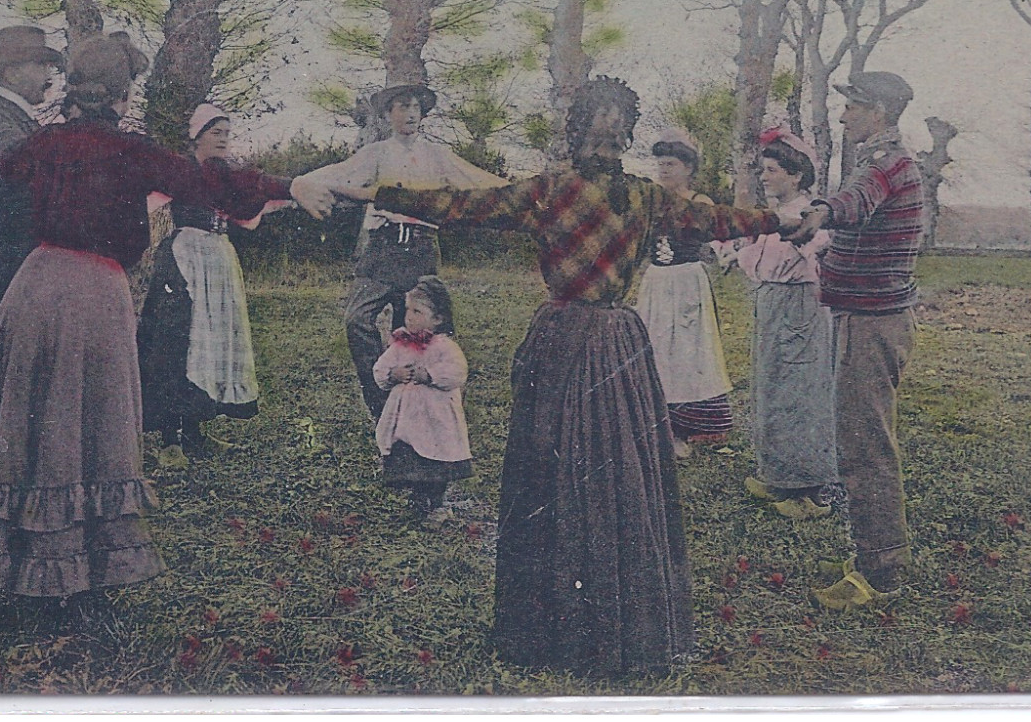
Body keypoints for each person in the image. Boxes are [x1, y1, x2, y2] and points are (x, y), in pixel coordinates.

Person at [333, 77, 800, 677]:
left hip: (564, 339)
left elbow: (458, 206)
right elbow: (724, 220)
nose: (607, 136)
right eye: (607, 127)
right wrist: (784, 222)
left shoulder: (556, 189)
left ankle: (555, 624)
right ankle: (610, 618)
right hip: (613, 339)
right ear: (614, 134)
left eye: (608, 127)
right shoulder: (646, 197)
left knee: (554, 469)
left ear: (578, 130)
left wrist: (375, 192)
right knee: (616, 471)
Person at [0, 33, 302, 602]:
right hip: (93, 292)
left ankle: (7, 557)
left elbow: (11, 162)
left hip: (34, 284)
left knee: (27, 416)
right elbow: (207, 182)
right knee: (84, 419)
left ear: (74, 89)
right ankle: (66, 568)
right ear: (123, 97)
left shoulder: (47, 140)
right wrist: (294, 186)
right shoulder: (128, 149)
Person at [785, 72, 926, 611]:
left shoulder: (884, 162)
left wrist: (819, 215)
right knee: (861, 440)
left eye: (854, 108)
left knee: (866, 446)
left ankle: (881, 571)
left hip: (874, 323)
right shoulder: (883, 158)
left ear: (881, 112)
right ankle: (875, 554)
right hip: (864, 316)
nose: (843, 117)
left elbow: (853, 202)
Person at [298, 83, 505, 420]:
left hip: (421, 249)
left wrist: (525, 193)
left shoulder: (437, 155)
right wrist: (302, 184)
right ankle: (379, 402)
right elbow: (341, 174)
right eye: (401, 107)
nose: (410, 114)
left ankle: (412, 412)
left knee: (416, 334)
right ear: (389, 114)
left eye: (415, 107)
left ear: (422, 113)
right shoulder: (377, 153)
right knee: (357, 320)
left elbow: (474, 179)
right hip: (382, 248)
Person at [139, 104, 285, 461]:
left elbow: (251, 206)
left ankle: (194, 430)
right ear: (197, 135)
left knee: (211, 343)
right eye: (215, 131)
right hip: (186, 257)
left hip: (218, 257)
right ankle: (170, 438)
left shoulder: (226, 175)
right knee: (181, 338)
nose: (222, 138)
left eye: (226, 132)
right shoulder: (181, 170)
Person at [719, 128, 835, 522]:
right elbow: (758, 252)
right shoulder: (774, 218)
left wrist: (800, 235)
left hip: (799, 306)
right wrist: (735, 255)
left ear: (796, 176)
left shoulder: (810, 215)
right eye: (763, 170)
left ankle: (806, 489)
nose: (765, 177)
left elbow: (821, 259)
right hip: (771, 302)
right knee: (770, 385)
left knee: (798, 390)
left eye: (772, 170)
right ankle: (778, 474)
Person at [631, 129, 734, 459]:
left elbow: (718, 234)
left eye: (672, 163)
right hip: (656, 281)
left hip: (686, 282)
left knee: (687, 352)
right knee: (655, 346)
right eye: (660, 163)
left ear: (688, 168)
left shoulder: (698, 202)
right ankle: (656, 425)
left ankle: (686, 428)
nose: (664, 170)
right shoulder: (649, 199)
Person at [0, 25, 63, 346]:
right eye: (39, 65)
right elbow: (10, 153)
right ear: (10, 72)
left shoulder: (19, 118)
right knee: (6, 368)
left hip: (22, 265)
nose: (48, 73)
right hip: (6, 267)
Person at [372, 276, 472, 526]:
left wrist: (430, 375)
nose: (410, 317)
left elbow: (457, 372)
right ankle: (418, 500)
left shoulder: (444, 347)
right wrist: (392, 375)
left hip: (436, 418)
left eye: (418, 312)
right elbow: (380, 368)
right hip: (408, 419)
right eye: (407, 310)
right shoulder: (400, 344)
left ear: (437, 319)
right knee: (410, 456)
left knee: (435, 460)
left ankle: (436, 504)